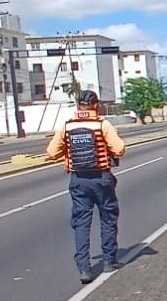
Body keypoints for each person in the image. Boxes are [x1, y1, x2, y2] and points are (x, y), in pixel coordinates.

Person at [47, 90, 126, 283]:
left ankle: (84, 269)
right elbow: (119, 149)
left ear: (77, 105)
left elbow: (52, 152)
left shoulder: (67, 126)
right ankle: (109, 261)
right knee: (108, 218)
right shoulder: (102, 124)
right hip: (101, 178)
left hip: (78, 180)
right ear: (96, 105)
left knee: (81, 223)